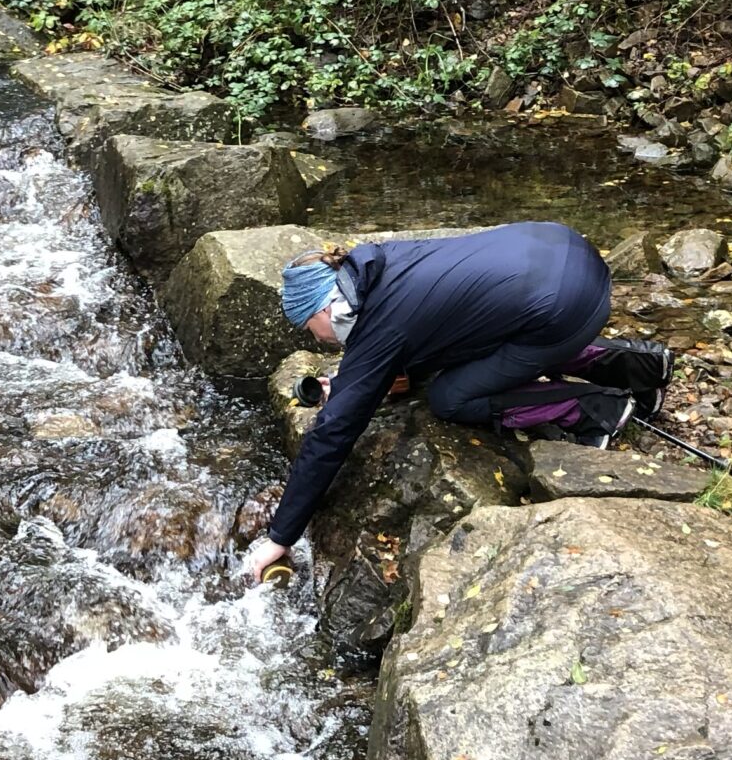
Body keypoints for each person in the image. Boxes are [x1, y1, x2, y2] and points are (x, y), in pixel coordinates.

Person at [236, 220, 673, 580]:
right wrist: (353, 378)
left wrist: (281, 536)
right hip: (567, 248)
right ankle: (641, 367)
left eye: (309, 329)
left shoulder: (378, 326)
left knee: (451, 397)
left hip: (564, 307)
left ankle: (596, 408)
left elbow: (334, 432)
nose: (319, 340)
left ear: (321, 310)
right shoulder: (382, 264)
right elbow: (438, 325)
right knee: (496, 328)